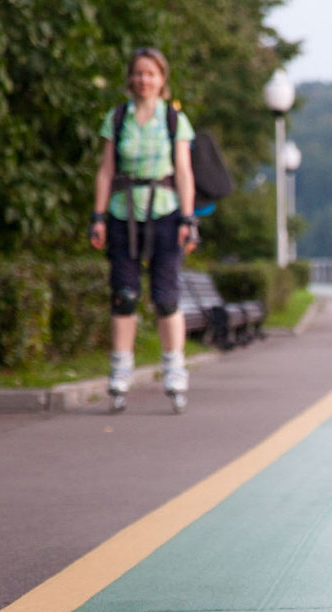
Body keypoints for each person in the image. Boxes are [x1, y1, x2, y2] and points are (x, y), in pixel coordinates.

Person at [89, 47, 198, 413]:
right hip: (124, 213)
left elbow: (183, 171)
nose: (143, 80)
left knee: (166, 297)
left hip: (165, 212)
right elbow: (105, 170)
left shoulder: (173, 120)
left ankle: (174, 370)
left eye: (150, 74)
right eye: (138, 73)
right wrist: (98, 216)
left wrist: (188, 218)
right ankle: (121, 372)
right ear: (129, 78)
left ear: (162, 79)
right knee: (124, 295)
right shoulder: (116, 118)